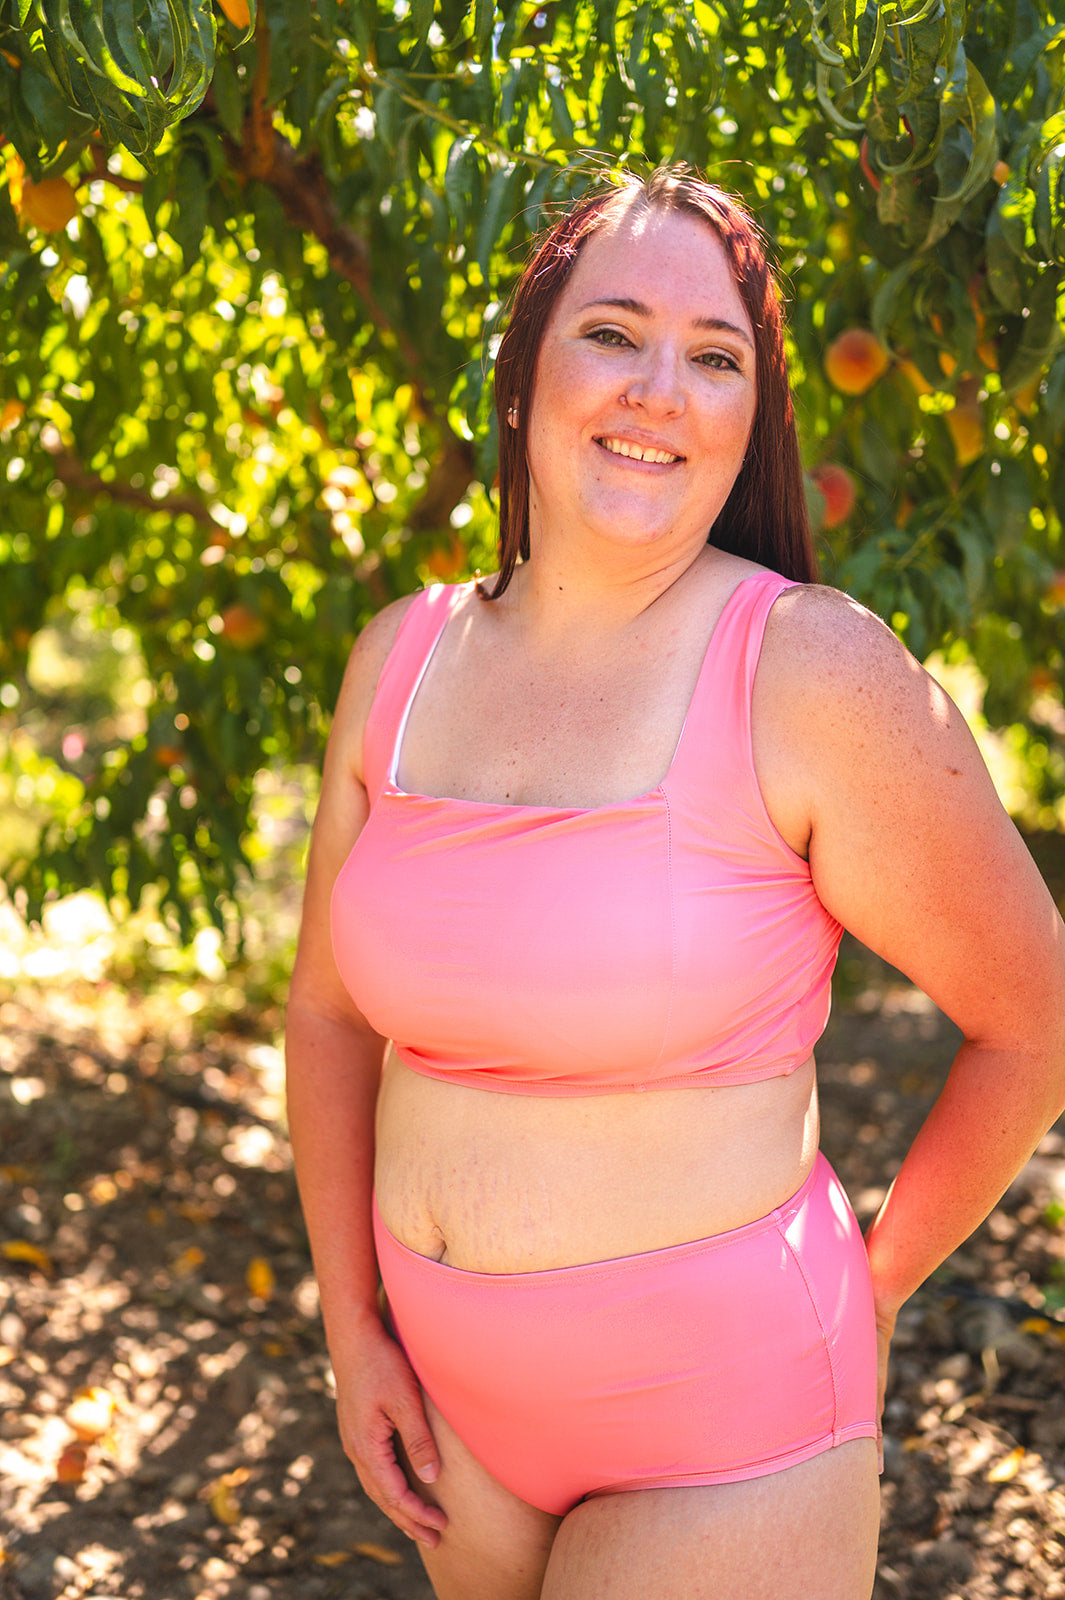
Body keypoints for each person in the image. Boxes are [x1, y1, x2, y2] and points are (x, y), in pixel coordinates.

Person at [285, 166, 1065, 1600]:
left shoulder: (809, 669)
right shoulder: (399, 659)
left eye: (715, 358)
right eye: (612, 333)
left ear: (748, 418)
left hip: (725, 1428)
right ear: (520, 377)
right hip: (454, 1415)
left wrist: (872, 1289)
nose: (661, 389)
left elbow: (1035, 1018)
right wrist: (355, 1329)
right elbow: (329, 1019)